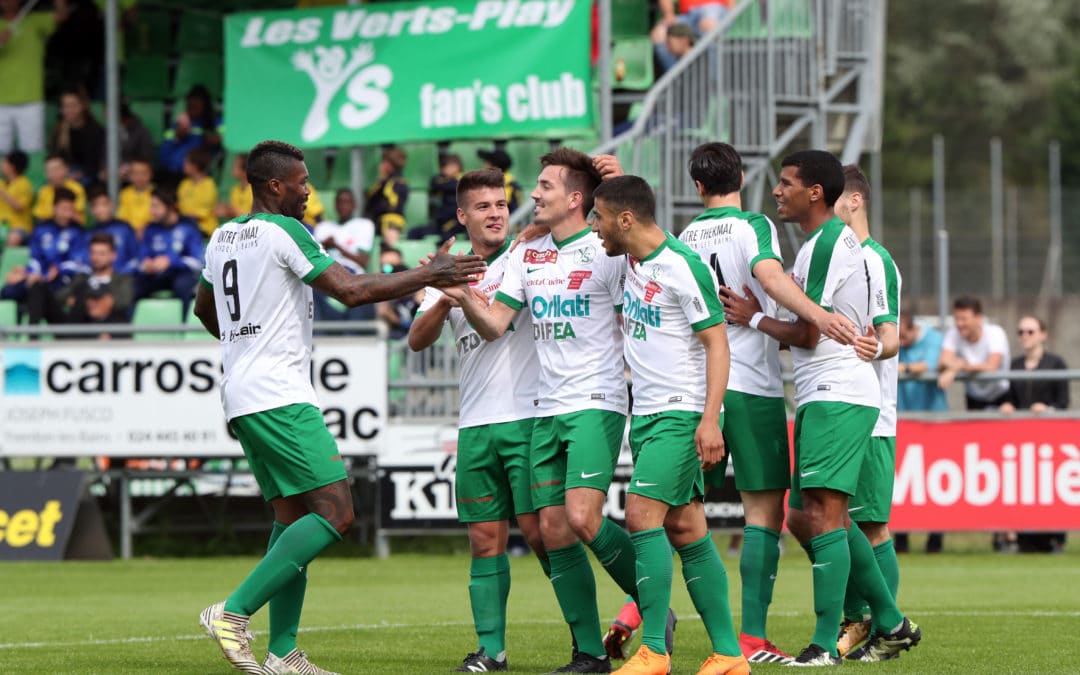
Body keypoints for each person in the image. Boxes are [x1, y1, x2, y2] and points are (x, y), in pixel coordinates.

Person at [193, 139, 485, 675]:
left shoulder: (222, 235)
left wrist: (244, 343)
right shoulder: (285, 231)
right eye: (302, 183)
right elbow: (348, 291)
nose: (309, 192)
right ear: (274, 185)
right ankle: (233, 612)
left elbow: (203, 308)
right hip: (278, 394)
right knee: (336, 512)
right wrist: (430, 274)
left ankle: (283, 652)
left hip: (241, 391)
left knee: (294, 518)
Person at [442, 147, 646, 674]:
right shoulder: (527, 255)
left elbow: (646, 242)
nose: (532, 194)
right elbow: (493, 325)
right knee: (553, 532)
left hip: (596, 401)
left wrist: (620, 181)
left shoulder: (607, 249)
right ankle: (590, 654)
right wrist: (459, 295)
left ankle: (651, 595)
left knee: (579, 519)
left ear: (576, 199)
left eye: (545, 186)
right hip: (548, 409)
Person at [656, 142, 857, 666]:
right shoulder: (754, 227)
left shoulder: (680, 239)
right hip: (749, 384)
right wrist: (818, 315)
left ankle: (640, 618)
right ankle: (751, 637)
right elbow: (769, 279)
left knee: (676, 515)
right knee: (763, 515)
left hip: (696, 391)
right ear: (741, 177)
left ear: (697, 186)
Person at [720, 150, 920, 665]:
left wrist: (755, 318)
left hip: (839, 391)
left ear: (815, 192)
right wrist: (765, 319)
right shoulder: (816, 246)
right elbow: (812, 331)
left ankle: (827, 642)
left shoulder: (832, 242)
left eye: (786, 183)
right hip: (821, 392)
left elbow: (810, 331)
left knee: (830, 516)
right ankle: (890, 621)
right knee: (810, 515)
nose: (777, 192)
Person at [586, 175, 749, 675]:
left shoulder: (682, 266)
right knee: (685, 527)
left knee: (640, 516)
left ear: (626, 220)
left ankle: (654, 650)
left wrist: (709, 420)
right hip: (650, 413)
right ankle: (728, 654)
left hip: (681, 414)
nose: (595, 228)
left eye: (599, 217)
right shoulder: (633, 259)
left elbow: (717, 344)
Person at [409, 168, 548, 673]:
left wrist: (460, 291)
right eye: (484, 206)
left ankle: (591, 637)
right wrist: (444, 291)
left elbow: (493, 325)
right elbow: (417, 339)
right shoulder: (448, 270)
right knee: (484, 541)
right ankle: (492, 650)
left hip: (529, 415)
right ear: (463, 215)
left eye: (501, 204)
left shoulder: (526, 255)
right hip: (476, 422)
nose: (495, 214)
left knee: (542, 534)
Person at [831, 164, 904, 659]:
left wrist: (869, 349)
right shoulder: (840, 257)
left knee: (872, 525)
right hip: (844, 409)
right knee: (836, 517)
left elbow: (891, 339)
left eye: (832, 196)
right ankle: (858, 621)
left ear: (854, 200)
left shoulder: (877, 261)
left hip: (873, 415)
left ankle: (885, 628)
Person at [999, 315, 1069, 554]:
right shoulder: (1015, 365)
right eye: (1021, 332)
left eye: (1030, 331)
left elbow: (1063, 401)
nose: (1025, 337)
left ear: (1043, 334)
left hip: (1047, 440)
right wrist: (1007, 405)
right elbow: (1009, 396)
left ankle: (1057, 538)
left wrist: (1047, 409)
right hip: (1020, 440)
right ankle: (1014, 536)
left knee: (1051, 487)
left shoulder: (1056, 363)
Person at [895, 313, 947, 554]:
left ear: (913, 329)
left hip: (932, 421)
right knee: (902, 482)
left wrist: (902, 367)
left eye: (904, 336)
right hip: (902, 420)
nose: (901, 342)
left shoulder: (934, 339)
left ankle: (935, 539)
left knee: (937, 481)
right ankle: (901, 537)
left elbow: (929, 365)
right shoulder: (895, 337)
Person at [2, 186, 83, 325]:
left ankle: (32, 336)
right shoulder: (41, 229)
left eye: (71, 210)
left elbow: (77, 262)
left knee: (37, 291)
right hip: (38, 278)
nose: (67, 214)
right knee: (7, 291)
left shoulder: (78, 232)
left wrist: (54, 271)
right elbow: (35, 258)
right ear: (54, 208)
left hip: (62, 281)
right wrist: (28, 273)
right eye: (64, 209)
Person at [0, 0, 67, 154]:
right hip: (1, 99)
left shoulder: (35, 20)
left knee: (33, 150)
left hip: (31, 98)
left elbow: (61, 16)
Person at [312, 188, 376, 325]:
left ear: (354, 205)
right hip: (328, 273)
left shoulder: (364, 225)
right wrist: (324, 245)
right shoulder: (323, 227)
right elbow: (315, 260)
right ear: (335, 205)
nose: (343, 206)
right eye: (340, 202)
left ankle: (351, 336)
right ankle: (318, 337)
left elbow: (363, 261)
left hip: (352, 273)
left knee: (363, 293)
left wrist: (336, 246)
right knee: (309, 288)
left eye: (347, 202)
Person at [134, 187, 204, 311]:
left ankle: (185, 328)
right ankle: (132, 328)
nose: (151, 211)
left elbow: (198, 262)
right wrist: (146, 263)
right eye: (151, 206)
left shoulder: (189, 226)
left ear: (170, 206)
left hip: (182, 273)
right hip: (156, 275)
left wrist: (171, 261)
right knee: (134, 286)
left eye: (156, 206)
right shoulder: (150, 228)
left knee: (182, 286)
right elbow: (141, 256)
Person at [937, 295, 1010, 410]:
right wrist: (957, 365)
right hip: (974, 399)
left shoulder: (995, 333)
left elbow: (992, 366)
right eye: (956, 319)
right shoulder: (953, 333)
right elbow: (942, 362)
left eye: (964, 319)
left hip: (1001, 397)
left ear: (979, 318)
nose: (959, 324)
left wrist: (957, 367)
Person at [60, 230, 135, 330]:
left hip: (112, 329)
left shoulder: (123, 279)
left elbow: (124, 301)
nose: (96, 258)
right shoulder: (82, 278)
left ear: (113, 256)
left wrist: (105, 302)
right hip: (82, 328)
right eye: (93, 253)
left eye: (101, 254)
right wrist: (74, 300)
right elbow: (60, 296)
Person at [158, 84, 222, 184]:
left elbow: (223, 140)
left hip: (197, 177)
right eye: (190, 106)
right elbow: (163, 154)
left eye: (196, 106)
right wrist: (177, 136)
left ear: (205, 107)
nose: (192, 109)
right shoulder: (178, 125)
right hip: (171, 174)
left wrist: (212, 139)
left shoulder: (215, 123)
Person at [47, 85, 104, 185]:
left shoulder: (95, 130)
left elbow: (96, 162)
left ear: (83, 106)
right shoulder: (59, 130)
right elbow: (53, 156)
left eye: (73, 105)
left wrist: (81, 174)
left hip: (88, 177)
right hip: (63, 175)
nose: (69, 110)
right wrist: (63, 173)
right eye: (65, 106)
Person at [650, 0, 729, 73]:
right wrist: (669, 14)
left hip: (713, 8)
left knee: (709, 26)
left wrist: (731, 15)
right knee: (659, 34)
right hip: (688, 15)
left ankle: (713, 81)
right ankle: (678, 79)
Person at [81, 185, 139, 275]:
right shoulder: (89, 234)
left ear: (111, 205)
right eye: (96, 206)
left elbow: (136, 257)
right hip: (97, 281)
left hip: (123, 279)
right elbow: (85, 261)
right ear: (92, 210)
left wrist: (122, 274)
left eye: (104, 204)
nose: (100, 210)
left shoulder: (124, 229)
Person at [364, 145, 409, 242]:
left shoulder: (391, 183)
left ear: (388, 164)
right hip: (388, 223)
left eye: (383, 162)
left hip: (388, 224)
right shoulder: (399, 181)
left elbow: (392, 207)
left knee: (389, 249)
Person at [178, 146, 220, 237]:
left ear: (195, 166)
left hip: (204, 229)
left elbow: (205, 210)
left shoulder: (209, 185)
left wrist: (186, 216)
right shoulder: (184, 184)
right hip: (185, 225)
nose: (183, 164)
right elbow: (179, 205)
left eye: (186, 162)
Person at [32, 154, 86, 224]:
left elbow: (77, 216)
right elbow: (40, 217)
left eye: (56, 169)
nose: (53, 173)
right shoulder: (43, 191)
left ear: (66, 169)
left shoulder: (77, 189)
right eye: (49, 170)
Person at [423, 152, 462, 242]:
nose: (443, 170)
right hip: (441, 222)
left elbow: (452, 185)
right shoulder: (445, 179)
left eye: (446, 166)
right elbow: (433, 182)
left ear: (456, 166)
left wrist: (444, 183)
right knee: (415, 232)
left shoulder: (462, 179)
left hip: (456, 222)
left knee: (446, 236)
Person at [1, 149, 33, 246]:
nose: (1, 165)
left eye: (4, 162)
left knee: (13, 238)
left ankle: (9, 261)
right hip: (1, 225)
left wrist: (3, 193)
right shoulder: (1, 183)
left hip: (20, 227)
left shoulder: (25, 184)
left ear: (12, 166)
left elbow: (19, 206)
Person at [478, 147, 522, 214]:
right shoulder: (486, 183)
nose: (484, 166)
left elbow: (516, 213)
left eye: (487, 163)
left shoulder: (510, 186)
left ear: (494, 166)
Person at [116, 158, 154, 235]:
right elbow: (122, 217)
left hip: (150, 232)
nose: (139, 177)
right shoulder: (125, 194)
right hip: (129, 233)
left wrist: (143, 229)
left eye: (143, 173)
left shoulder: (156, 194)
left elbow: (157, 217)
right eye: (135, 173)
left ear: (151, 174)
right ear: (129, 175)